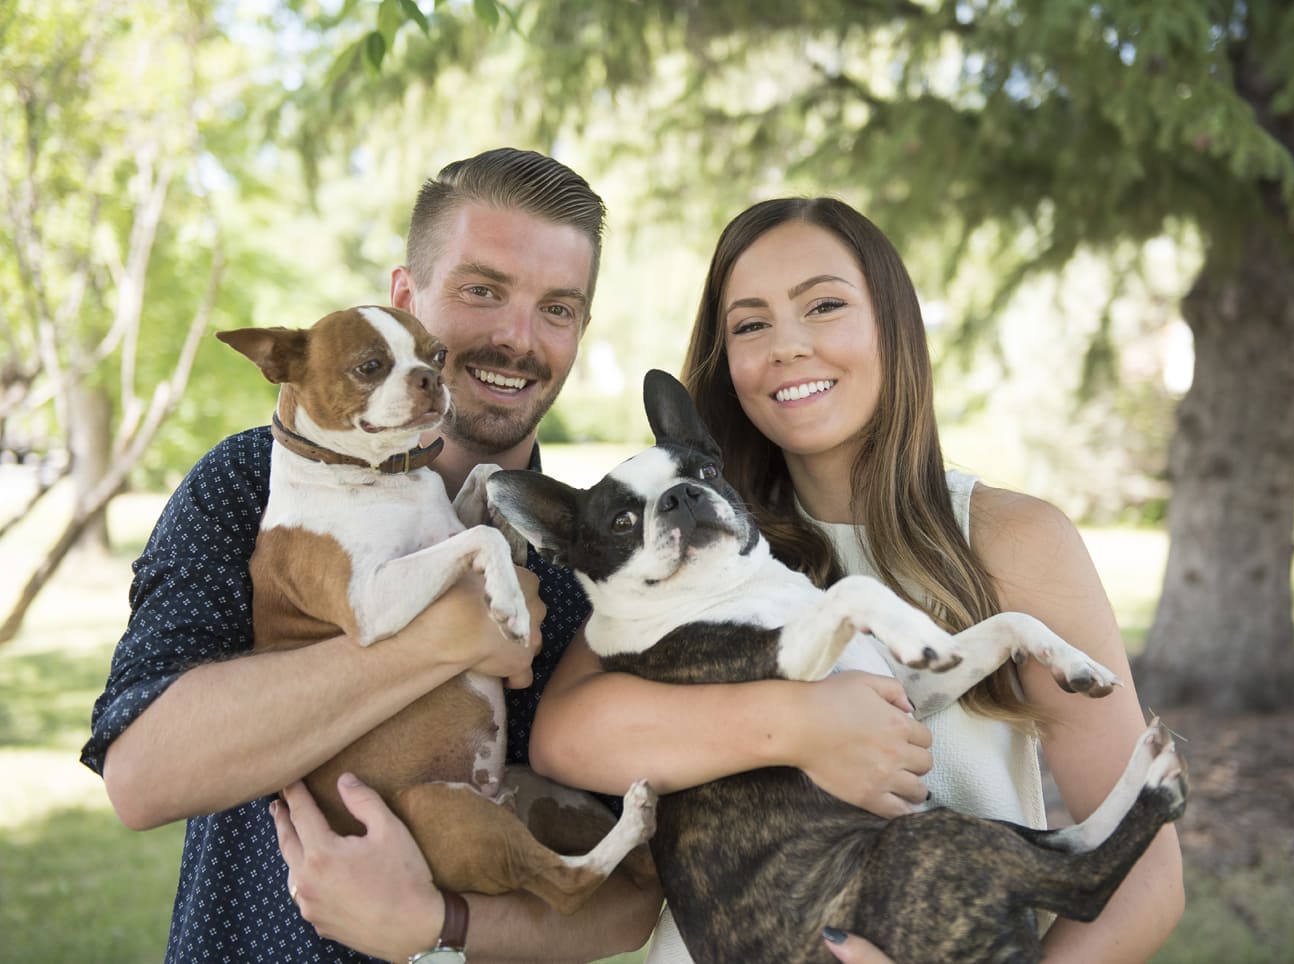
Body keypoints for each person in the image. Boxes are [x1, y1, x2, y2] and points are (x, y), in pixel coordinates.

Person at [275, 196, 1185, 961]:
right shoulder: (691, 546)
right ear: (726, 360)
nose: (788, 345)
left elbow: (1149, 881)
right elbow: (568, 737)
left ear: (892, 321)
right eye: (751, 324)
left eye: (824, 306)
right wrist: (799, 722)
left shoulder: (1008, 538)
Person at [81, 147, 665, 963]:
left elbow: (632, 904)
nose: (516, 337)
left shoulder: (588, 544)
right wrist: (441, 638)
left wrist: (439, 928)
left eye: (557, 308)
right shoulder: (250, 485)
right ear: (404, 298)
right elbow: (142, 777)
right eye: (482, 290)